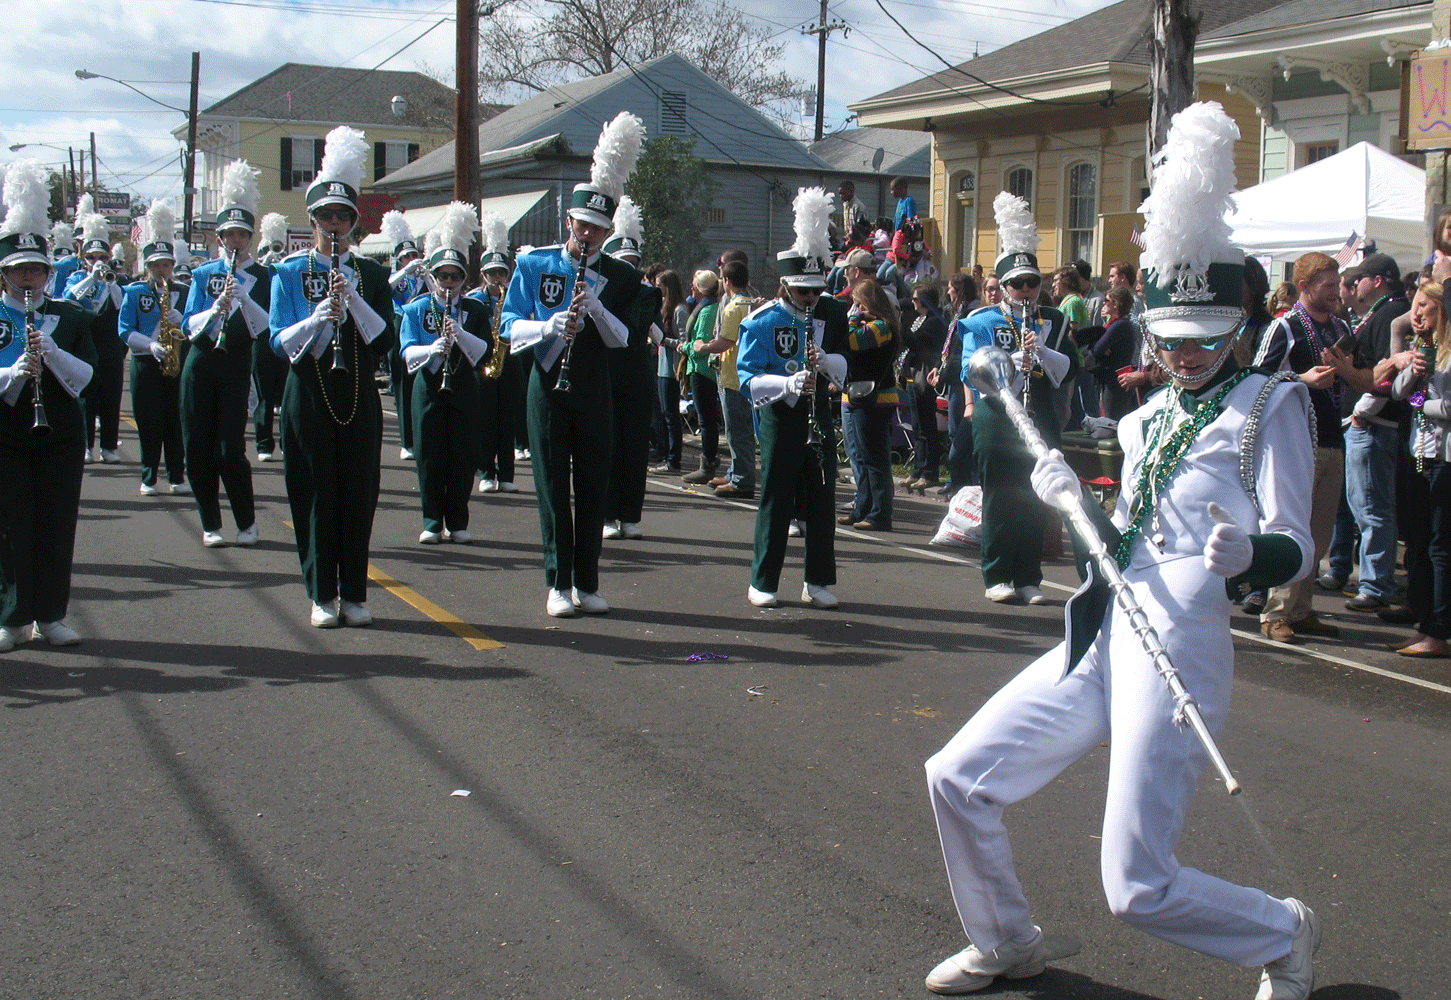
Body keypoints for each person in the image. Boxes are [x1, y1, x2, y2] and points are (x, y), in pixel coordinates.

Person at [924, 102, 1319, 1000]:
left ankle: (1283, 930)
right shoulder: (1139, 420)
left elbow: (1299, 546)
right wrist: (1072, 506)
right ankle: (1004, 938)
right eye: (1170, 341)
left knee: (1133, 887)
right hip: (1102, 632)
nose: (1184, 358)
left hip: (1179, 649)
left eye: (1204, 340)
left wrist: (1247, 559)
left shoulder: (1268, 404)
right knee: (956, 776)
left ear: (1239, 322)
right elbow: (1116, 547)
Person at [501, 111, 644, 618]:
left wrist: (596, 309)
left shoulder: (621, 278)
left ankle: (587, 581)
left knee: (592, 484)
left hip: (593, 386)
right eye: (583, 226)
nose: (589, 236)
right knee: (552, 489)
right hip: (546, 384)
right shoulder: (534, 263)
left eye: (599, 230)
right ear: (569, 222)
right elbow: (508, 325)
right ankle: (556, 583)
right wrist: (549, 326)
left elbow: (623, 339)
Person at [269, 126, 395, 628]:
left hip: (359, 389)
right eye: (327, 216)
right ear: (314, 219)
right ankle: (321, 593)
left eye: (344, 216)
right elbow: (278, 340)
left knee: (358, 491)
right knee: (316, 491)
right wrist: (318, 317)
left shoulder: (372, 274)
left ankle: (355, 594)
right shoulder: (287, 271)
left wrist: (354, 300)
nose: (336, 223)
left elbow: (384, 339)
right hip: (309, 389)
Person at [957, 192, 1077, 604]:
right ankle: (997, 575)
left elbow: (1069, 370)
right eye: (1017, 284)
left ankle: (1029, 576)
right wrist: (1013, 357)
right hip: (996, 414)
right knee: (1001, 496)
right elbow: (969, 368)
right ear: (1004, 287)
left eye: (1033, 282)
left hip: (1038, 413)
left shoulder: (1055, 320)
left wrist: (1040, 352)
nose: (1026, 290)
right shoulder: (981, 320)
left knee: (1035, 497)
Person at [0, 159, 98, 651]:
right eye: (20, 269)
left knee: (56, 522)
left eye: (37, 268)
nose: (30, 277)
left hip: (59, 429)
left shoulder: (69, 316)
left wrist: (52, 352)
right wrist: (13, 373)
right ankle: (13, 616)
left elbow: (87, 376)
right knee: (11, 524)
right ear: (5, 274)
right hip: (6, 430)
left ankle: (51, 615)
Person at [736, 187, 847, 609]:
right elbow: (748, 378)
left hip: (819, 413)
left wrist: (826, 362)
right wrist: (786, 384)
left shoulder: (831, 312)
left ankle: (818, 580)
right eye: (803, 292)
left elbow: (847, 367)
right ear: (786, 286)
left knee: (821, 501)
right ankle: (763, 580)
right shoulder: (762, 320)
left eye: (816, 292)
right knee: (777, 498)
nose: (811, 299)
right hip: (781, 418)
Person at [1247, 252, 1348, 642]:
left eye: (1337, 284)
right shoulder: (1285, 327)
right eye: (1327, 286)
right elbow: (1256, 377)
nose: (1335, 292)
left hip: (1333, 437)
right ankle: (1275, 613)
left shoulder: (1338, 325)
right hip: (1296, 441)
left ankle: (1301, 608)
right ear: (1304, 287)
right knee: (1293, 526)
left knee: (1320, 532)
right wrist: (1301, 379)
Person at [180, 161, 268, 548]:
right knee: (197, 447)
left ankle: (246, 522)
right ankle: (210, 523)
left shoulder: (266, 277)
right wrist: (214, 308)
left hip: (236, 366)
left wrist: (242, 298)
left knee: (230, 449)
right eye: (228, 234)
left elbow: (263, 327)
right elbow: (187, 325)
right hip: (200, 365)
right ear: (219, 238)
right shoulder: (202, 274)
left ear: (250, 237)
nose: (235, 241)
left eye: (241, 234)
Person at [399, 203, 491, 545]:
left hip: (464, 384)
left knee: (462, 454)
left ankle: (458, 520)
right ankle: (432, 520)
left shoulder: (474, 309)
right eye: (443, 276)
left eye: (455, 276)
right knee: (430, 453)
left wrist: (460, 335)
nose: (448, 282)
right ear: (433, 278)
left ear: (464, 279)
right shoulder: (416, 308)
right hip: (428, 386)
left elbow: (485, 352)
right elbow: (406, 350)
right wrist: (432, 349)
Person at [1326, 252, 1411, 613]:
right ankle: (1370, 579)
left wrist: (1362, 411)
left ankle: (1377, 584)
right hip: (1368, 422)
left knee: (1373, 508)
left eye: (1360, 278)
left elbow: (1390, 374)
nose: (1353, 285)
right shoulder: (1382, 313)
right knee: (1361, 506)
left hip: (1375, 423)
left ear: (1378, 280)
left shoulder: (1392, 313)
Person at [1391, 278, 1451, 656]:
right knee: (1419, 543)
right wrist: (1413, 371)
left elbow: (1445, 407)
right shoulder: (1423, 348)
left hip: (1444, 459)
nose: (1416, 314)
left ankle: (1439, 629)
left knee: (1440, 547)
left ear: (1441, 312)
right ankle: (1424, 621)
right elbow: (1399, 392)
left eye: (1424, 307)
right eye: (1414, 306)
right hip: (1419, 453)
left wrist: (1422, 404)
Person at [119, 201, 190, 497]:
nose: (162, 270)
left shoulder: (184, 292)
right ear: (147, 267)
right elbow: (124, 329)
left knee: (176, 421)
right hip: (146, 363)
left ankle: (177, 474)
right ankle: (149, 477)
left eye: (166, 264)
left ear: (173, 266)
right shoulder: (135, 292)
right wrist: (150, 344)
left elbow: (199, 325)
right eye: (156, 265)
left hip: (176, 362)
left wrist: (183, 321)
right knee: (149, 423)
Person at [600, 196, 656, 539]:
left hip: (635, 375)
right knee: (606, 445)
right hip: (604, 373)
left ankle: (630, 515)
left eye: (634, 262)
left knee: (634, 447)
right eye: (623, 262)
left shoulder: (646, 293)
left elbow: (636, 330)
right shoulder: (597, 289)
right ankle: (606, 514)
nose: (630, 268)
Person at [63, 207, 126, 465]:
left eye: (101, 256)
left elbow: (121, 305)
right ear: (84, 257)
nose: (97, 260)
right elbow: (69, 298)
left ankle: (109, 447)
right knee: (86, 397)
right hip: (86, 345)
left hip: (110, 347)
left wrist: (108, 283)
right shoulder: (77, 278)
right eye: (91, 256)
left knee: (111, 397)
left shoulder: (114, 282)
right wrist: (92, 278)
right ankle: (86, 445)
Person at [692, 258, 756, 499]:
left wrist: (701, 346)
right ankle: (735, 472)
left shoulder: (733, 307)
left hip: (733, 374)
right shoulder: (753, 301)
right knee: (742, 429)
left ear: (727, 281)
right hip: (747, 372)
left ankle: (742, 480)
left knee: (737, 430)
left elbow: (724, 342)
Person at [839, 279, 900, 530]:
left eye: (857, 301)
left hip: (875, 401)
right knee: (858, 459)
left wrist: (852, 319)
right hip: (853, 397)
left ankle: (879, 514)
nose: (854, 306)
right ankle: (861, 508)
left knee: (874, 459)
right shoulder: (871, 324)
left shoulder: (882, 327)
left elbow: (851, 340)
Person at [467, 212, 521, 494]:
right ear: (483, 275)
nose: (498, 278)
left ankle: (508, 474)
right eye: (492, 274)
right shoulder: (474, 301)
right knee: (485, 420)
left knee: (507, 419)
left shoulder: (512, 295)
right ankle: (487, 471)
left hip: (508, 360)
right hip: (484, 363)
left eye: (501, 273)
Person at [382, 211, 427, 461]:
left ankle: (420, 437)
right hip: (400, 327)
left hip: (421, 329)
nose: (411, 260)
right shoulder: (396, 278)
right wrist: (406, 271)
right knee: (402, 389)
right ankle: (406, 441)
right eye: (406, 257)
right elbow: (386, 287)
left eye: (413, 255)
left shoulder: (422, 278)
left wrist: (427, 275)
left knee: (419, 388)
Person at [252, 211, 290, 463]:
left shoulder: (286, 273)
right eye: (269, 249)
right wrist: (264, 267)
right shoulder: (254, 275)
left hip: (284, 339)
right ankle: (264, 443)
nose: (274, 253)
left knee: (287, 393)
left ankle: (288, 441)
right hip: (261, 340)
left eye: (277, 248)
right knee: (263, 395)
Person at [903, 282, 946, 491]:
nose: (913, 303)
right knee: (917, 426)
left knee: (927, 426)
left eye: (916, 299)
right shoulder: (920, 319)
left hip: (925, 377)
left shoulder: (935, 321)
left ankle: (930, 471)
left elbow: (918, 342)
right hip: (913, 376)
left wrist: (900, 325)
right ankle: (918, 468)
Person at [681, 270, 722, 486]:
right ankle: (708, 462)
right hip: (700, 370)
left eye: (694, 285)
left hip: (702, 370)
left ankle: (707, 465)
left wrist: (683, 346)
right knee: (707, 419)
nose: (691, 288)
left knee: (706, 420)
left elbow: (700, 346)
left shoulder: (708, 310)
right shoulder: (708, 305)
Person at [650, 269, 687, 474]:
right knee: (666, 414)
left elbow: (684, 341)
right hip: (662, 366)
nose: (657, 289)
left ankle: (674, 460)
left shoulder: (679, 309)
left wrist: (663, 339)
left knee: (671, 415)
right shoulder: (666, 306)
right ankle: (667, 455)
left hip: (671, 368)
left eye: (660, 286)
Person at [1088, 286, 1138, 419]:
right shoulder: (1116, 323)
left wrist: (1099, 344)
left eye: (1107, 300)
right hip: (1114, 377)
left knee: (1112, 419)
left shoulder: (1119, 325)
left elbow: (1097, 349)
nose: (1104, 303)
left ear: (1116, 304)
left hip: (1116, 380)